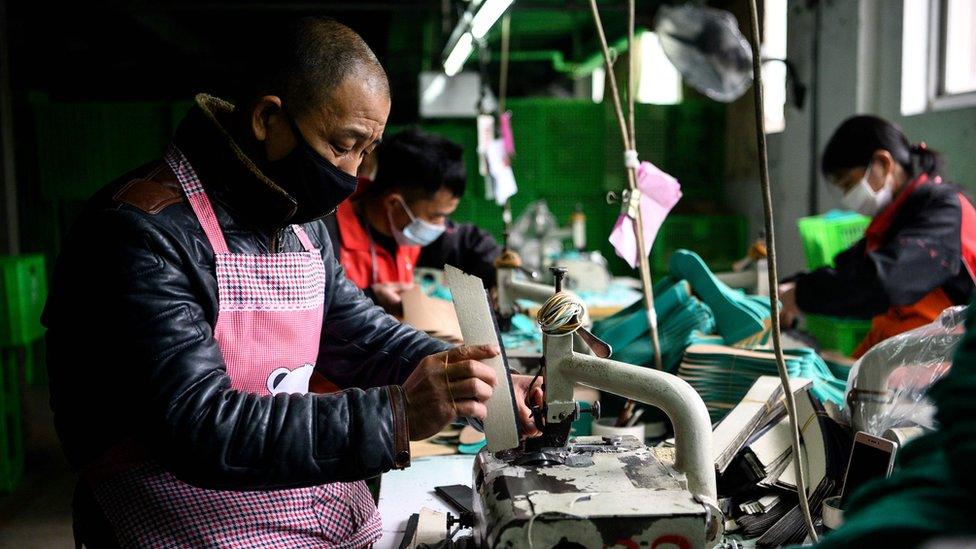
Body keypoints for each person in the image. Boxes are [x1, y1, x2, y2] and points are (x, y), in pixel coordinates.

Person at [42, 18, 539, 547]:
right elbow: (199, 424)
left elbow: (356, 330)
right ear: (267, 119)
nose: (351, 175)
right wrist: (394, 415)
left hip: (273, 484)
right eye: (343, 145)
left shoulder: (299, 224)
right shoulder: (142, 230)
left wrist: (475, 378)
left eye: (366, 151)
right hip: (165, 498)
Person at [779, 115, 976, 358]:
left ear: (883, 163)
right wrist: (792, 286)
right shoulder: (895, 219)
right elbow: (848, 271)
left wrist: (801, 295)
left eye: (850, 183)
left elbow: (883, 283)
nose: (848, 196)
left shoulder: (944, 212)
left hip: (952, 362)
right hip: (903, 355)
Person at [325, 127, 501, 314]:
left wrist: (499, 271)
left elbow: (470, 243)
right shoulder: (328, 235)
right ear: (394, 204)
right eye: (435, 216)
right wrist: (372, 298)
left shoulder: (409, 230)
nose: (442, 226)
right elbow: (323, 306)